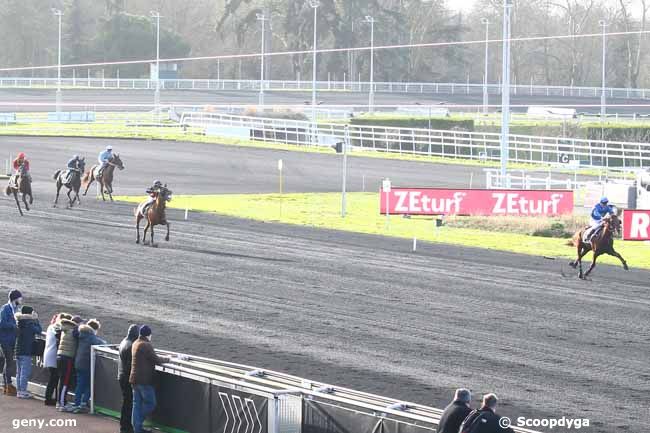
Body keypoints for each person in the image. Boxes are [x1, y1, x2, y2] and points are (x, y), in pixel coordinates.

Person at [130, 325, 170, 433]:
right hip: (144, 381)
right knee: (150, 403)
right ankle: (137, 424)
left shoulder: (135, 343)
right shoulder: (146, 345)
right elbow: (156, 359)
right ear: (149, 335)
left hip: (134, 379)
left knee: (136, 404)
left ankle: (136, 428)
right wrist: (169, 359)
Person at [72, 319, 106, 413]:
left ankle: (78, 403)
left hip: (78, 363)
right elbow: (102, 343)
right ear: (94, 329)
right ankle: (81, 403)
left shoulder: (81, 334)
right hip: (86, 365)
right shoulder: (91, 337)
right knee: (89, 385)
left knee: (80, 385)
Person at [14, 305, 42, 399]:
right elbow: (39, 330)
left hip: (18, 350)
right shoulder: (29, 323)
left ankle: (19, 390)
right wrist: (36, 320)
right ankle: (22, 391)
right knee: (24, 373)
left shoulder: (19, 321)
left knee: (19, 372)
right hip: (26, 351)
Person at [57, 315, 82, 411]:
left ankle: (60, 402)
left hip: (60, 356)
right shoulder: (74, 330)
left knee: (62, 380)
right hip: (67, 358)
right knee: (65, 382)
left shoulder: (66, 329)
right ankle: (62, 404)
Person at [118, 325, 140, 433]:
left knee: (127, 402)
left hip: (122, 375)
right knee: (128, 402)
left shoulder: (124, 341)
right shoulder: (131, 345)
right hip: (127, 377)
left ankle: (125, 425)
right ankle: (126, 427)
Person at [0, 289, 22, 396]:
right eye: (19, 298)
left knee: (8, 362)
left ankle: (6, 385)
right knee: (9, 362)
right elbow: (2, 324)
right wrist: (14, 326)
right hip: (5, 340)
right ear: (15, 298)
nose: (21, 300)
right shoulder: (5, 309)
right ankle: (8, 385)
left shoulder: (16, 309)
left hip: (11, 339)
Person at [44, 313, 68, 406]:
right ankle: (50, 399)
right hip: (53, 356)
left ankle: (49, 398)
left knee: (53, 379)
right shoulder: (57, 329)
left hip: (49, 355)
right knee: (54, 379)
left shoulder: (51, 327)